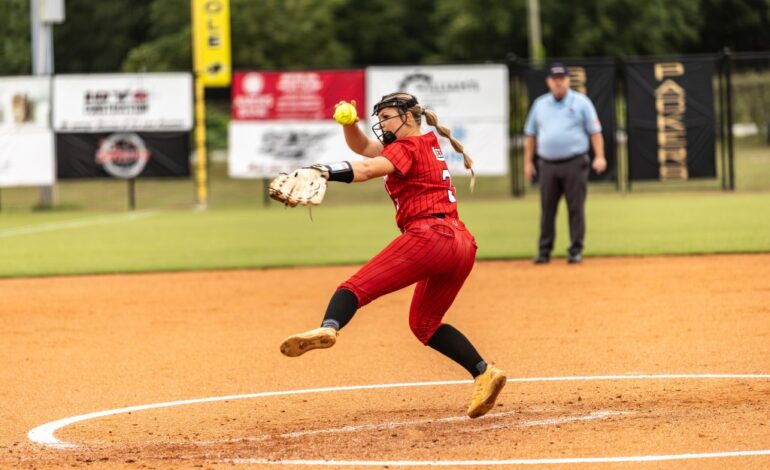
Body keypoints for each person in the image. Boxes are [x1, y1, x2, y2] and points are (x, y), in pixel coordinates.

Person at [278, 92, 507, 418]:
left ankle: (329, 327)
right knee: (424, 324)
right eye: (379, 117)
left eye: (387, 116)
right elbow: (363, 149)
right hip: (461, 244)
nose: (381, 123)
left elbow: (369, 168)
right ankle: (485, 373)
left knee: (354, 288)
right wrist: (349, 123)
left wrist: (325, 171)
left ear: (409, 118)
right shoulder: (425, 143)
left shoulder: (406, 147)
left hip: (430, 238)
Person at [524, 63, 607, 264]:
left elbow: (595, 131)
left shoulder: (581, 102)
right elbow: (531, 135)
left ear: (568, 80)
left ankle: (575, 250)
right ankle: (544, 251)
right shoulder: (540, 104)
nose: (558, 82)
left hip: (575, 162)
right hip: (548, 164)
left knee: (576, 207)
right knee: (547, 209)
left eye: (562, 78)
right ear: (549, 81)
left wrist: (600, 156)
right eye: (555, 79)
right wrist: (528, 162)